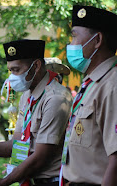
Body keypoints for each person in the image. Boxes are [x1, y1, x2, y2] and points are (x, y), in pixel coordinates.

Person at [0, 39, 73, 186]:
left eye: (16, 70)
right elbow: (15, 144)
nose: (12, 77)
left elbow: (40, 156)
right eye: (10, 70)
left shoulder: (56, 98)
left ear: (36, 66)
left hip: (52, 181)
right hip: (31, 179)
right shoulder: (27, 96)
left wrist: (3, 182)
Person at [61, 5, 117, 186]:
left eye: (74, 36)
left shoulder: (111, 85)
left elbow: (116, 160)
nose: (71, 43)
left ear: (97, 39)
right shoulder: (92, 83)